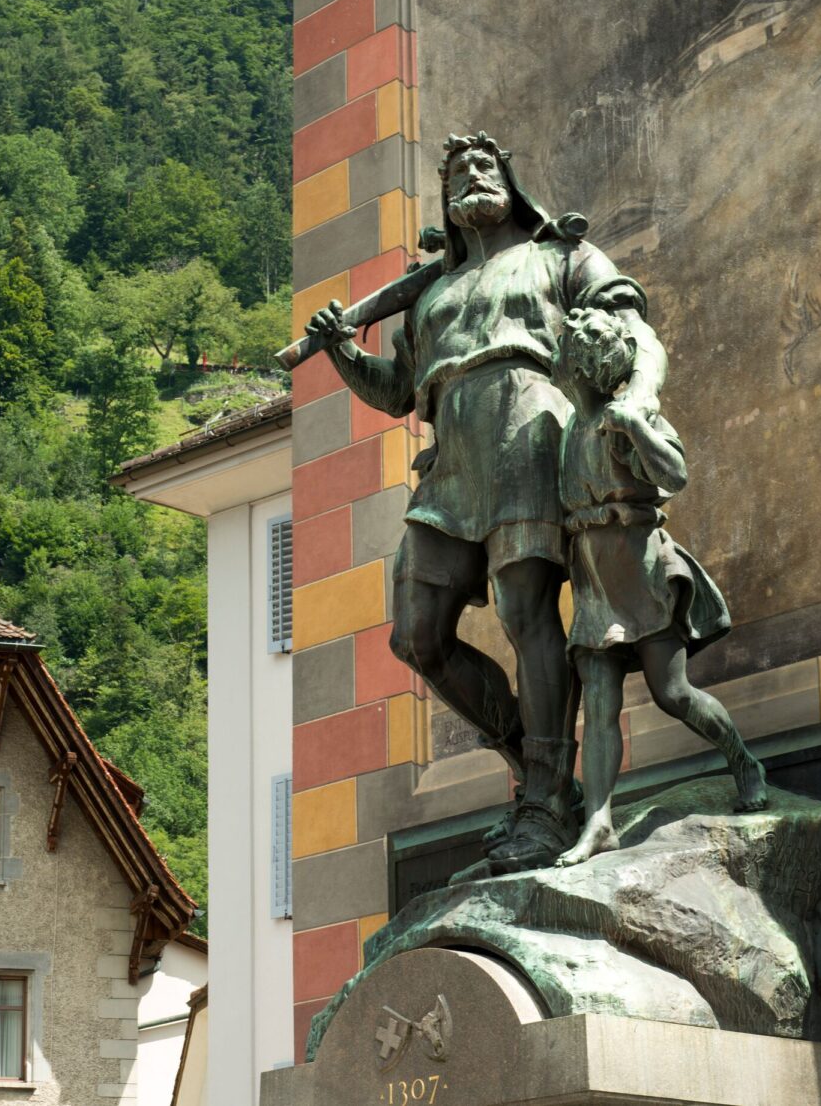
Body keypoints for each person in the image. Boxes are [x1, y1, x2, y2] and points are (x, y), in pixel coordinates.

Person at [303, 132, 665, 874]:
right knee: (416, 634)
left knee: (526, 611)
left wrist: (633, 401)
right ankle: (540, 772)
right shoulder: (431, 292)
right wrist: (343, 351)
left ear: (510, 181)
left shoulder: (557, 256)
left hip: (530, 426)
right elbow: (399, 390)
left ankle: (540, 799)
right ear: (445, 199)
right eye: (458, 171)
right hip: (451, 461)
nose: (473, 176)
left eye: (485, 165)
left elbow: (627, 319)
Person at [547, 307, 768, 868]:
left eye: (572, 350)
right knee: (597, 704)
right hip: (593, 581)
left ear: (587, 365)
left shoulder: (625, 416)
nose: (564, 357)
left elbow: (675, 474)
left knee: (673, 695)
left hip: (640, 571)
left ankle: (743, 760)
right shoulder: (570, 426)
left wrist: (639, 426)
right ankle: (599, 820)